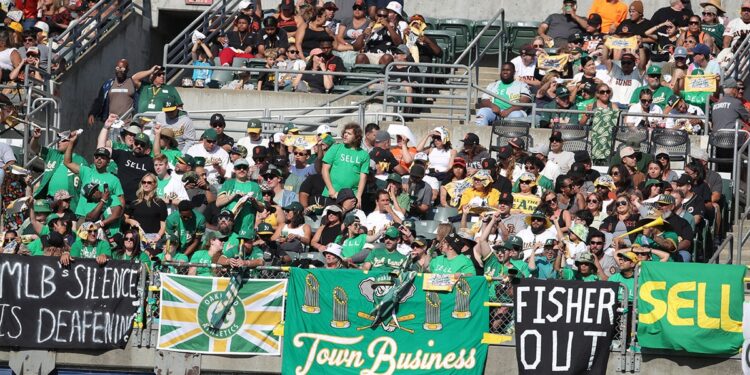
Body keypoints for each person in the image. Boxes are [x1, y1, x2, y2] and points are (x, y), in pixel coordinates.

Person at [98, 119, 156, 203]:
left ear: (147, 148)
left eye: (142, 145)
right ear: (133, 143)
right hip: (118, 200)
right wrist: (106, 127)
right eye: (137, 143)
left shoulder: (150, 161)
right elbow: (100, 150)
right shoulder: (122, 154)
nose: (138, 146)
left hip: (138, 202)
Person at [321, 122, 369, 204]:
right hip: (332, 194)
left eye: (349, 133)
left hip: (351, 197)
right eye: (345, 133)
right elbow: (324, 169)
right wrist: (331, 190)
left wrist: (358, 196)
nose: (345, 135)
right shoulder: (335, 148)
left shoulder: (364, 154)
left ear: (356, 137)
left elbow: (363, 177)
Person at [215, 157, 263, 238]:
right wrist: (233, 195)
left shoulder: (255, 186)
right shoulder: (228, 183)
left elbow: (261, 208)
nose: (241, 170)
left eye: (244, 167)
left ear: (248, 169)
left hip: (247, 227)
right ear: (234, 169)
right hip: (228, 226)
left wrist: (254, 201)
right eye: (238, 167)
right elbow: (218, 203)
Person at [124, 173, 168, 246]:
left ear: (154, 184)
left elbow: (163, 225)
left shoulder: (160, 203)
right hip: (137, 239)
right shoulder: (135, 202)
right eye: (144, 182)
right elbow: (124, 218)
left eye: (149, 182)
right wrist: (129, 220)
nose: (146, 184)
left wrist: (157, 238)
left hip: (154, 239)